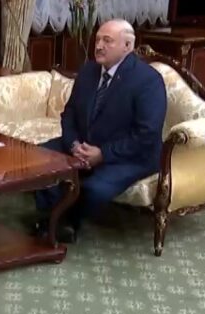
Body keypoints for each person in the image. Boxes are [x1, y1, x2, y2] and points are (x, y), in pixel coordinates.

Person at [33, 19, 166, 243]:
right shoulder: (89, 71)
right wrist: (74, 145)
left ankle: (63, 221)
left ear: (127, 46)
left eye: (107, 41)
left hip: (130, 155)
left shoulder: (148, 81)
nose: (99, 46)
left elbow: (147, 134)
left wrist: (103, 154)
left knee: (95, 189)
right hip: (84, 145)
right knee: (38, 158)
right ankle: (54, 218)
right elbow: (69, 113)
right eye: (97, 40)